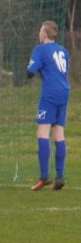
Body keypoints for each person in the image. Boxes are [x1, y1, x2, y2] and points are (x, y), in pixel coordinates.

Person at [27, 20, 71, 190]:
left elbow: (30, 73)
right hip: (64, 91)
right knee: (59, 133)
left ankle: (44, 176)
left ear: (44, 34)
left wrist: (34, 66)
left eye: (40, 31)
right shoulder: (64, 51)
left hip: (50, 93)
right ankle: (60, 176)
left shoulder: (40, 49)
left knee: (43, 132)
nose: (39, 34)